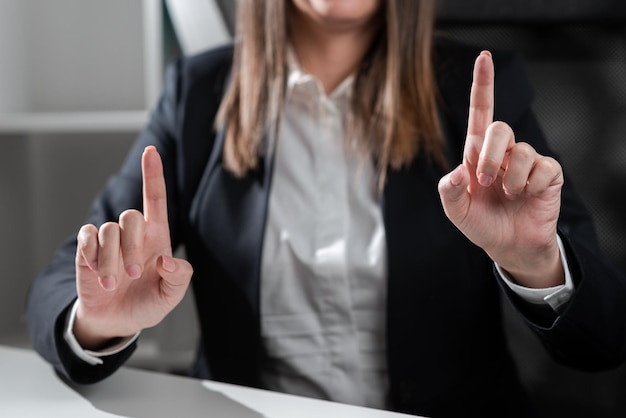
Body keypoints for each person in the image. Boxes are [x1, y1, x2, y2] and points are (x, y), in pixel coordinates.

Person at [26, 0, 626, 417]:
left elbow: (602, 337)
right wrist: (101, 319)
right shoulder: (197, 92)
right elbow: (59, 288)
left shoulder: (476, 89)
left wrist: (537, 263)